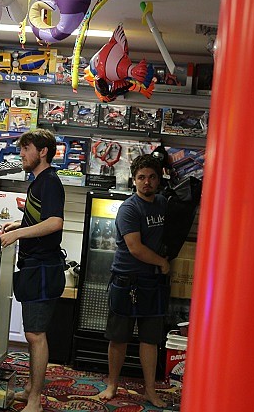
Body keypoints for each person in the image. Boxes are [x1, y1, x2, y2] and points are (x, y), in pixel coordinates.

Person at [0, 129, 65, 412]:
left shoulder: (49, 181)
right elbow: (38, 215)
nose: (21, 154)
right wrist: (19, 225)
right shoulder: (37, 182)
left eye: (26, 149)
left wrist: (18, 235)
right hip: (33, 267)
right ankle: (30, 387)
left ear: (43, 152)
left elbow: (55, 222)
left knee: (36, 335)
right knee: (31, 333)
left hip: (42, 269)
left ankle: (36, 399)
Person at [98, 154, 169, 408]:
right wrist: (162, 262)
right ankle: (112, 385)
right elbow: (135, 248)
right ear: (134, 180)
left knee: (150, 339)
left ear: (158, 179)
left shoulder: (161, 203)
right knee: (119, 337)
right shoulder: (129, 208)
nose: (146, 182)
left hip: (152, 282)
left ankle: (150, 390)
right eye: (141, 177)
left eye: (151, 177)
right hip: (126, 280)